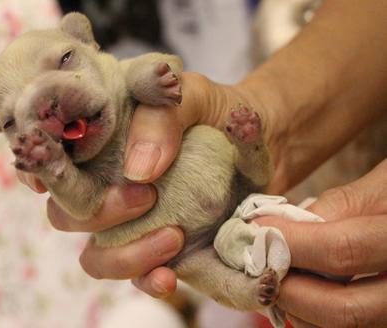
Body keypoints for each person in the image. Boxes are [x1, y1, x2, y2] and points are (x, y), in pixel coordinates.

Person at [19, 1, 387, 327]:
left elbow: (163, 68)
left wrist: (153, 84)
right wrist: (58, 171)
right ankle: (256, 287)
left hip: (278, 167)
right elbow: (82, 201)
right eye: (12, 120)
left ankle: (250, 150)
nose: (50, 106)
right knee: (213, 269)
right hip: (201, 243)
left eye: (66, 60)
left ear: (85, 41)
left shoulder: (122, 74)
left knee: (250, 176)